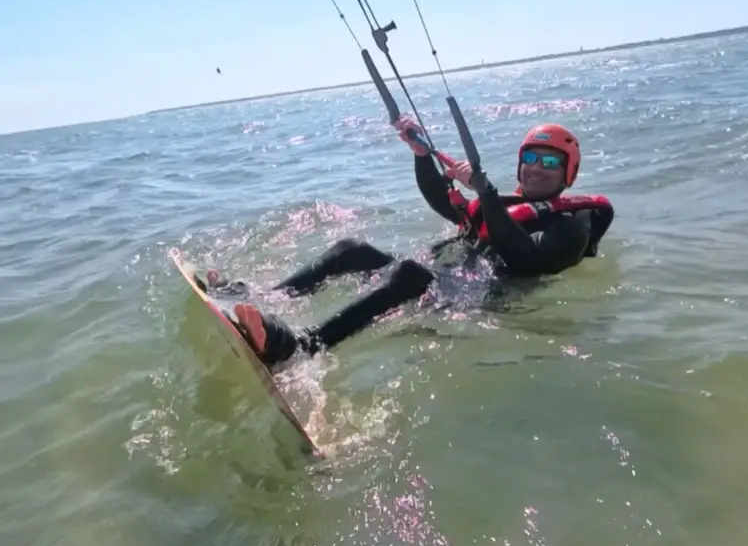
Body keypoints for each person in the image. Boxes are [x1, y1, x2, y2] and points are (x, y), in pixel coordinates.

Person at [204, 116, 614, 369]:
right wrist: (422, 156)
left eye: (550, 162)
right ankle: (264, 299)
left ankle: (303, 348)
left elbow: (527, 261)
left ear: (569, 173)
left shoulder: (572, 224)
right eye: (531, 159)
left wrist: (485, 193)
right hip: (447, 279)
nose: (537, 170)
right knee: (352, 249)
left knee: (410, 272)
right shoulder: (504, 204)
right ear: (519, 164)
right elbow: (447, 204)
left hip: (483, 300)